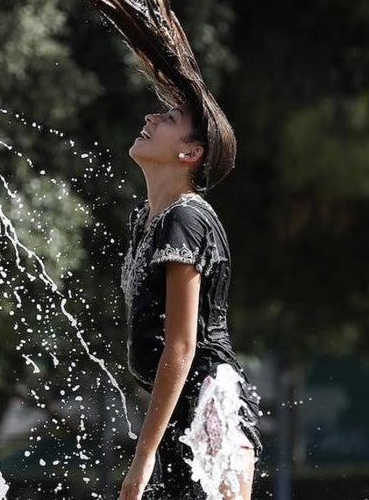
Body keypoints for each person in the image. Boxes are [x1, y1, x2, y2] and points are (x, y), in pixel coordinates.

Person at [119, 104, 262, 500]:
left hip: (213, 409)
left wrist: (142, 458)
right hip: (183, 418)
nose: (149, 118)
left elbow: (181, 345)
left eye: (167, 119)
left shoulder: (185, 220)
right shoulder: (148, 217)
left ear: (190, 153)